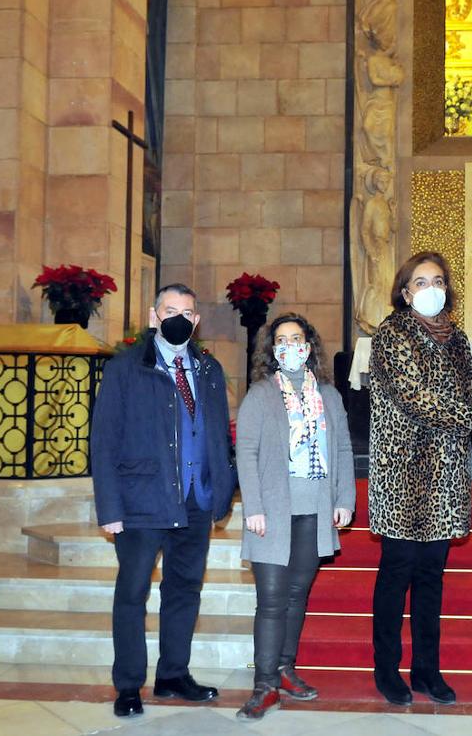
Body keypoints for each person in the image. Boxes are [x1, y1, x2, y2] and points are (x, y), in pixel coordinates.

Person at [367, 251, 472, 706]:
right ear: (405, 293)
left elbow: (469, 397)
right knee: (396, 574)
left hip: (444, 475)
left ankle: (427, 670)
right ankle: (387, 669)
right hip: (402, 473)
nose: (431, 289)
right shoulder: (391, 334)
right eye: (421, 282)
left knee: (431, 577)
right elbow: (416, 398)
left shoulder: (456, 337)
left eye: (438, 281)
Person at [90, 284, 237, 719]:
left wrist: (221, 490)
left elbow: (217, 434)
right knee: (132, 592)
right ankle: (128, 685)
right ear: (154, 317)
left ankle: (173, 674)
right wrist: (110, 509)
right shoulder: (126, 368)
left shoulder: (209, 369)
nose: (178, 319)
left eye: (187, 313)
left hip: (195, 501)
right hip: (142, 501)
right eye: (170, 311)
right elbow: (104, 441)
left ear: (196, 321)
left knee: (184, 589)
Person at [234, 314, 356, 720]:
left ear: (309, 345)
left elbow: (342, 449)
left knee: (296, 595)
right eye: (282, 340)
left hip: (314, 509)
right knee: (271, 601)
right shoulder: (260, 395)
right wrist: (253, 507)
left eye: (297, 338)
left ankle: (285, 669)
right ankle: (264, 685)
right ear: (273, 350)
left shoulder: (329, 395)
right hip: (272, 511)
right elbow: (246, 453)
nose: (290, 346)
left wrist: (344, 498)